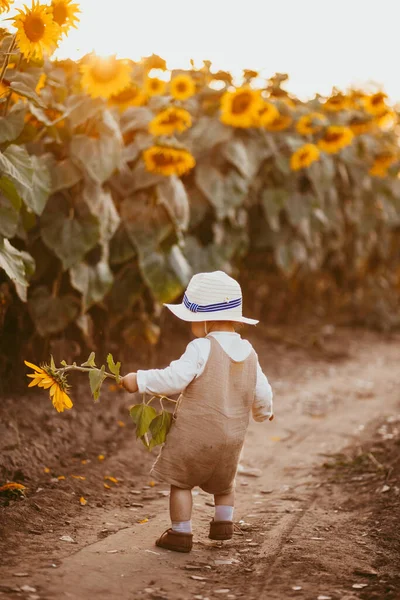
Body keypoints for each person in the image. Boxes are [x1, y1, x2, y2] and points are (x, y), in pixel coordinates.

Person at [121, 271, 273, 553]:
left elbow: (174, 379)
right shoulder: (249, 351)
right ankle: (222, 524)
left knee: (182, 482)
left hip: (196, 436)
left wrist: (138, 379)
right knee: (225, 484)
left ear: (205, 320)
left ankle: (180, 533)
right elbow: (261, 391)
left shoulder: (201, 347)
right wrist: (265, 413)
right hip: (232, 439)